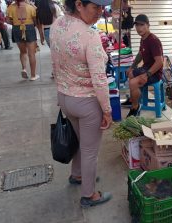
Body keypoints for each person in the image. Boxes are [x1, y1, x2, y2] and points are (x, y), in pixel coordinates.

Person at [50, 0, 113, 208]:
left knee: (80, 142)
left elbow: (55, 62)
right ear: (79, 4)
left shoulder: (57, 24)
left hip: (65, 98)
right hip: (86, 103)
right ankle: (89, 194)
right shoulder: (90, 34)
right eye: (96, 7)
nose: (100, 12)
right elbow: (99, 79)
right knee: (89, 151)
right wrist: (107, 110)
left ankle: (77, 176)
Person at [121, 14, 163, 117]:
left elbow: (160, 62)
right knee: (130, 74)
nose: (139, 28)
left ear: (148, 25)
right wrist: (132, 66)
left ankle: (135, 107)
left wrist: (146, 75)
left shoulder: (153, 40)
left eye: (142, 25)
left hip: (154, 73)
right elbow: (140, 54)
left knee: (133, 83)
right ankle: (133, 99)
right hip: (146, 68)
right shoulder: (143, 38)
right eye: (137, 25)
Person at [6, 0, 39, 80]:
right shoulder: (31, 7)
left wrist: (16, 23)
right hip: (29, 28)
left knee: (23, 52)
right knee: (31, 54)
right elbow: (35, 20)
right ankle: (33, 76)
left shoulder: (10, 7)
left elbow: (8, 21)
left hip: (16, 29)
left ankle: (24, 68)